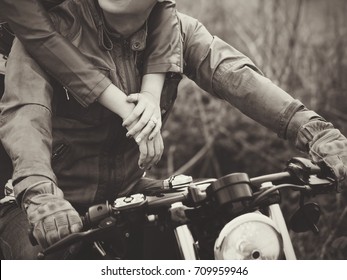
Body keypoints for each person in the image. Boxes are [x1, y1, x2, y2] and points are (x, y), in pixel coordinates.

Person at [0, 0, 346, 259]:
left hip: (128, 191)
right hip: (38, 204)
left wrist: (314, 131)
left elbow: (236, 76)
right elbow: (25, 115)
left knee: (217, 240)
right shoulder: (47, 36)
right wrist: (41, 195)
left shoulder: (179, 31)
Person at [0, 0, 182, 171]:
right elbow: (41, 37)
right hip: (19, 57)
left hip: (69, 43)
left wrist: (151, 94)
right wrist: (130, 111)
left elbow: (165, 4)